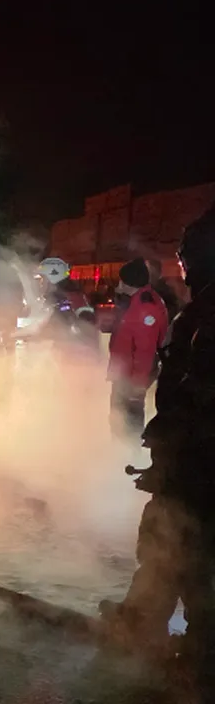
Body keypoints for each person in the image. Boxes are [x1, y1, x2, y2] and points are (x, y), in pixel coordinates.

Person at [101, 210, 215, 658]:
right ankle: (149, 622)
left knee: (174, 543)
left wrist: (168, 450)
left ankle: (169, 636)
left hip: (198, 465)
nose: (181, 268)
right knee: (179, 546)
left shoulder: (208, 312)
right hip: (195, 459)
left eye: (185, 257)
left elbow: (200, 392)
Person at [107, 258, 169, 438]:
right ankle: (121, 452)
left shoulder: (145, 308)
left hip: (132, 376)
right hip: (126, 372)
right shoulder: (137, 301)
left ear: (129, 282)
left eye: (121, 280)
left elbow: (145, 351)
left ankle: (129, 455)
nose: (118, 284)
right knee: (119, 417)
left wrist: (137, 386)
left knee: (128, 419)